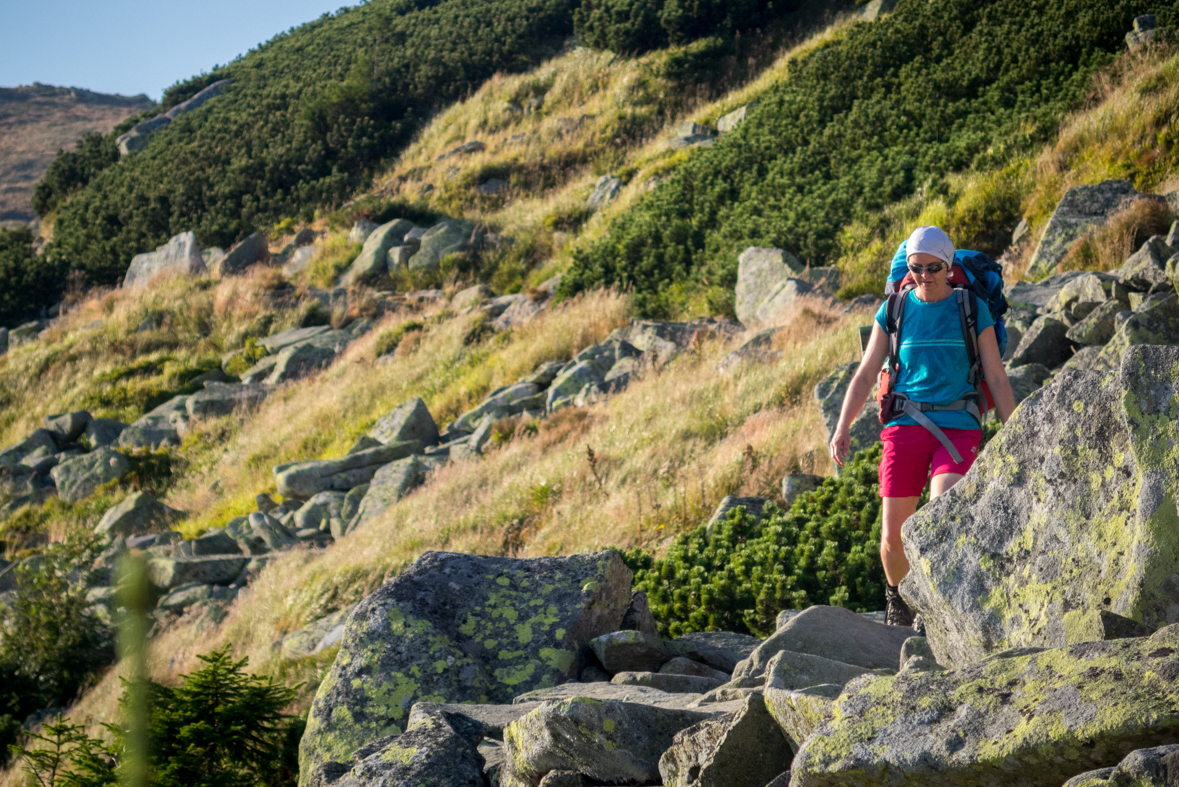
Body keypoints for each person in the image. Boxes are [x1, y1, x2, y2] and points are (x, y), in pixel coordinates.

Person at [828, 226, 1016, 626]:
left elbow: (997, 379)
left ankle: (940, 609)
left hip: (957, 425)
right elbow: (864, 376)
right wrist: (842, 425)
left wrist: (1017, 433)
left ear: (949, 267)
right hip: (904, 427)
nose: (925, 275)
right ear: (907, 268)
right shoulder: (893, 310)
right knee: (893, 539)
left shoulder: (970, 308)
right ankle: (898, 596)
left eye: (934, 267)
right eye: (917, 267)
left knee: (941, 516)